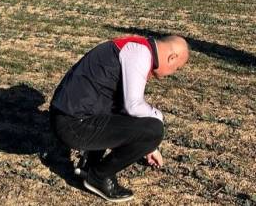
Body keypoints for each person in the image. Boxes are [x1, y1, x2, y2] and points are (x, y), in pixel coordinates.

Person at [49, 34, 189, 202]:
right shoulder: (140, 54)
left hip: (72, 116)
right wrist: (158, 120)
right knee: (154, 128)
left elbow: (122, 107)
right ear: (172, 57)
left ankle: (90, 164)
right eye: (177, 68)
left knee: (138, 122)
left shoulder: (136, 47)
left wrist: (148, 147)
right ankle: (99, 176)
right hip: (73, 125)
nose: (173, 73)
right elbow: (133, 106)